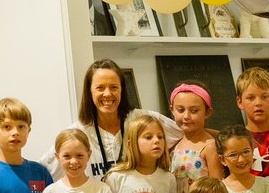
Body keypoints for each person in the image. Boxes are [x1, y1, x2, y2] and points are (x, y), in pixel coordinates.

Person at [42, 58, 179, 179]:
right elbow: (42, 172)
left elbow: (183, 135)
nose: (107, 94)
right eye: (100, 88)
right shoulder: (77, 133)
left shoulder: (143, 119)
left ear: (122, 90)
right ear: (89, 92)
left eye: (114, 87)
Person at [169, 81, 224, 193]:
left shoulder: (209, 146)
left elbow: (218, 188)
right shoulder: (174, 146)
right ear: (172, 110)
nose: (186, 116)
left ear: (207, 112)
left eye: (194, 111)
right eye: (180, 110)